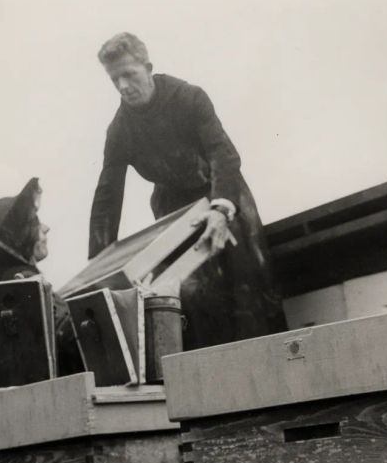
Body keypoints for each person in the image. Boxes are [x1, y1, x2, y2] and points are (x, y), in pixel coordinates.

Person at [89, 33, 286, 350]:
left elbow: (224, 154)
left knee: (249, 282)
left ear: (148, 67)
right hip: (174, 207)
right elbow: (107, 196)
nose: (123, 86)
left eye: (129, 75)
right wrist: (98, 263)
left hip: (221, 194)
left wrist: (221, 209)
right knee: (192, 295)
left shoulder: (189, 97)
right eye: (115, 80)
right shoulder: (119, 130)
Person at [0, 178, 84, 375]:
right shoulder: (24, 281)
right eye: (34, 221)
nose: (45, 228)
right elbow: (68, 334)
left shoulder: (4, 280)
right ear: (20, 235)